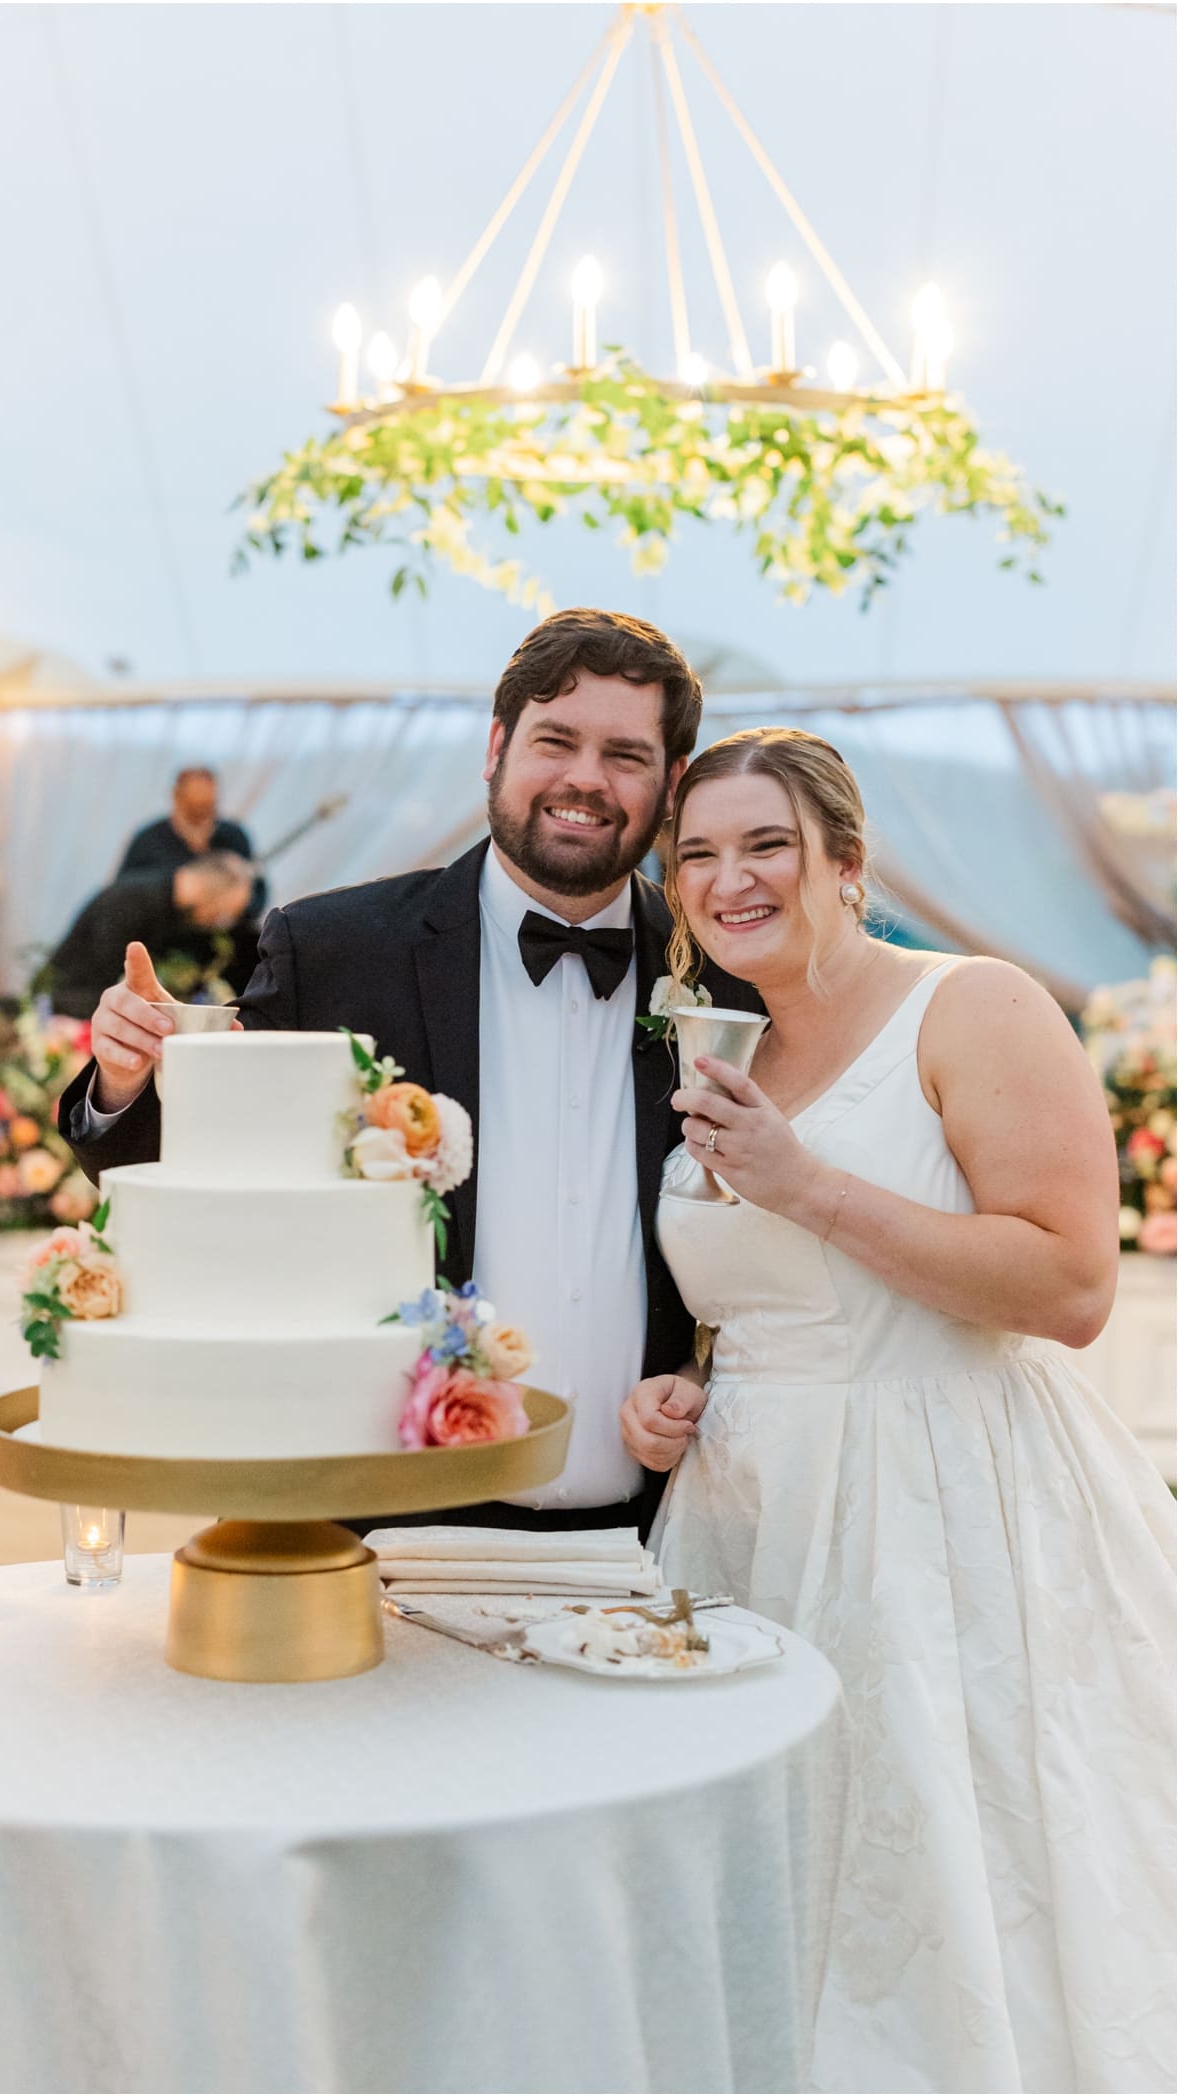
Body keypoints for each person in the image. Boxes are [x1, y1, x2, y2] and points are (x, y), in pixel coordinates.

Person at [620, 726, 1177, 2094]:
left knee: (943, 1884)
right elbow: (771, 1297)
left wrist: (806, 1185)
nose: (727, 878)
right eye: (696, 854)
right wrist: (688, 1385)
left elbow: (1067, 1283)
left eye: (767, 845)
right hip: (746, 1526)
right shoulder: (717, 1046)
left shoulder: (973, 1005)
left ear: (848, 862)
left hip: (948, 1514)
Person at [58, 607, 762, 1535]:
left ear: (672, 784)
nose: (586, 780)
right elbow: (184, 1170)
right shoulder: (336, 949)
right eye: (557, 740)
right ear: (497, 747)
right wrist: (127, 1077)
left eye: (625, 756)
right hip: (391, 1526)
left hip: (662, 1531)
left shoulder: (725, 980)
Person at [42, 854, 254, 1019]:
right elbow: (99, 982)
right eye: (225, 913)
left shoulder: (163, 904)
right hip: (67, 1010)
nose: (219, 922)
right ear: (211, 893)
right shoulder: (130, 903)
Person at [119, 766, 267, 981]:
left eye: (208, 808)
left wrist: (231, 906)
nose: (202, 817)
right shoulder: (148, 842)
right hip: (166, 949)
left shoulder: (233, 838)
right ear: (176, 798)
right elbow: (127, 897)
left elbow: (258, 891)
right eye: (193, 808)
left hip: (222, 951)